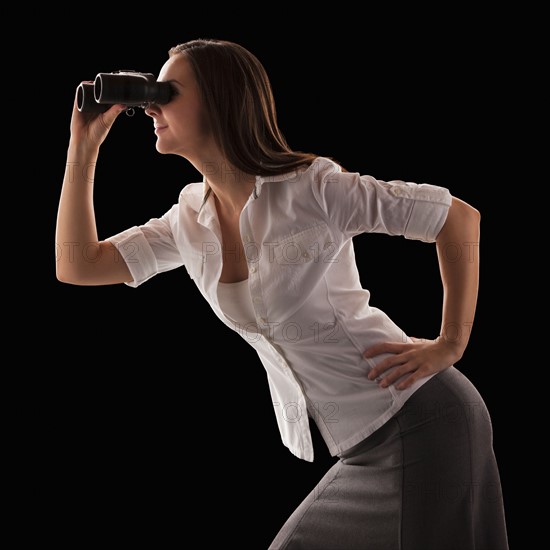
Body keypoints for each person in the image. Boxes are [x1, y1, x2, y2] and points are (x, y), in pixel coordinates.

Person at [56, 38, 509, 549]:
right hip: (361, 448)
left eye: (168, 91)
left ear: (220, 100)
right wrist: (83, 148)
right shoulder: (188, 220)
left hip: (423, 420)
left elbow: (457, 217)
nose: (152, 105)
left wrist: (451, 343)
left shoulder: (313, 189)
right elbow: (78, 265)